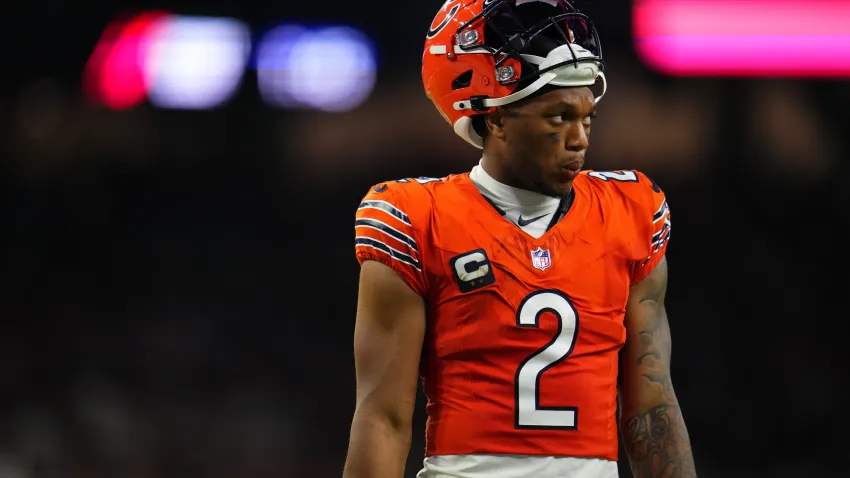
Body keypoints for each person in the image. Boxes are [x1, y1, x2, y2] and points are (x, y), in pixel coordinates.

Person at [342, 1, 696, 477]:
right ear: (495, 117)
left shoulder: (630, 211)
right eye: (558, 118)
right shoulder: (417, 218)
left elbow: (651, 409)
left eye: (587, 118)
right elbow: (383, 416)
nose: (580, 140)